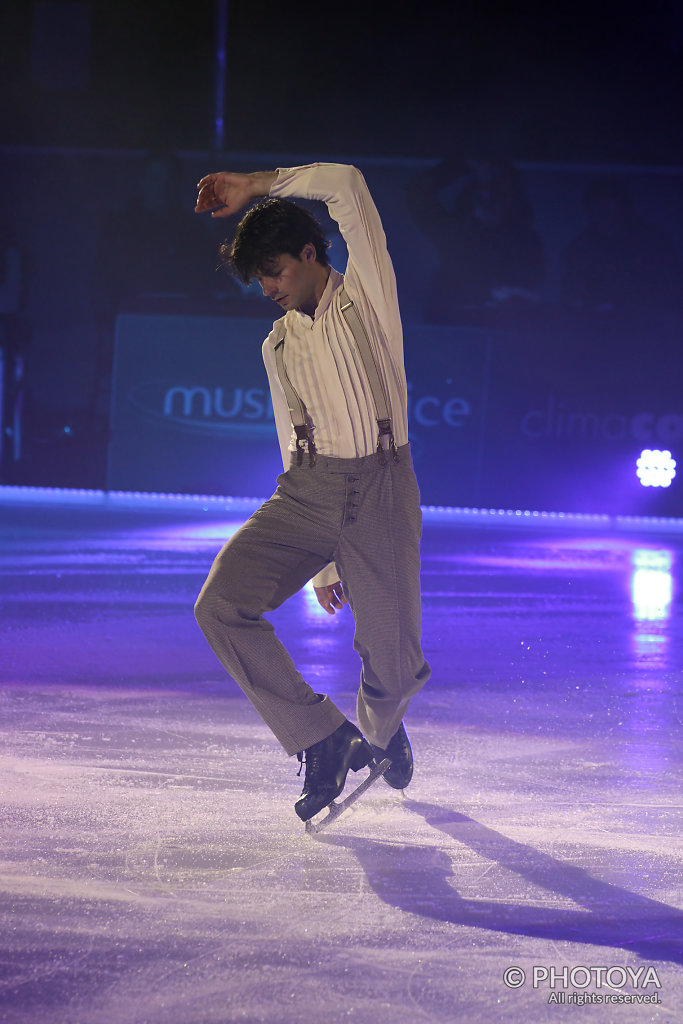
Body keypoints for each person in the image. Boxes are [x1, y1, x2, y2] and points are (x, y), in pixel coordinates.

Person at [193, 162, 430, 822]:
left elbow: (348, 184)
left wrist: (255, 187)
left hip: (380, 491)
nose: (268, 287)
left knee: (391, 661)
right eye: (259, 279)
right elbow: (292, 438)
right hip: (306, 492)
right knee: (221, 605)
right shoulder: (278, 343)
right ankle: (320, 737)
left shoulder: (366, 298)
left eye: (276, 271)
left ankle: (381, 731)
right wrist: (323, 561)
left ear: (309, 253)